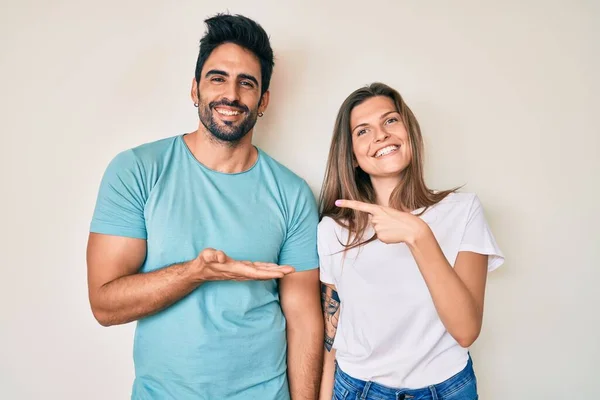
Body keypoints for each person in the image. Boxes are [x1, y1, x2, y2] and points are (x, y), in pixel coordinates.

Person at [86, 13, 323, 400]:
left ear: (263, 100)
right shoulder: (137, 170)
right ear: (195, 89)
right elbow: (105, 305)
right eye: (218, 78)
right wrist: (197, 272)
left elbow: (304, 322)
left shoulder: (292, 193)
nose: (231, 94)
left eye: (247, 83)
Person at [317, 82, 504, 400]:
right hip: (357, 389)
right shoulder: (333, 229)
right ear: (352, 157)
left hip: (447, 389)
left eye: (390, 120)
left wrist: (419, 235)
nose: (380, 135)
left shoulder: (463, 211)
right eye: (363, 131)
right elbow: (332, 338)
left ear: (409, 133)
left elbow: (466, 330)